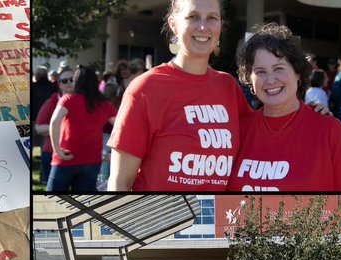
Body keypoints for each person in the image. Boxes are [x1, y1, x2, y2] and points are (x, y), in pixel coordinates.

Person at [107, 0, 252, 191]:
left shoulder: (229, 88)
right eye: (193, 17)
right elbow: (119, 183)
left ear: (220, 26)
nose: (203, 26)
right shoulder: (146, 89)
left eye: (212, 18)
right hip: (161, 218)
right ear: (173, 25)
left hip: (213, 217)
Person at [228, 23, 341, 191]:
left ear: (297, 72)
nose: (271, 79)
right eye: (260, 72)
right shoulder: (238, 131)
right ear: (250, 81)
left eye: (279, 68)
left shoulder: (329, 130)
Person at [47, 66, 117, 192]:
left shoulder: (68, 99)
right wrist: (114, 153)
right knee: (84, 203)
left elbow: (54, 121)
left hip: (66, 157)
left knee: (51, 201)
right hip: (92, 160)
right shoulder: (105, 104)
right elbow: (120, 127)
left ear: (77, 81)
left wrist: (57, 149)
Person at [35, 67, 75, 186]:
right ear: (59, 84)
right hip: (53, 152)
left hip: (80, 155)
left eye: (72, 79)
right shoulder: (52, 101)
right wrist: (62, 127)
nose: (69, 82)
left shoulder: (86, 100)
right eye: (64, 80)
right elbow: (38, 128)